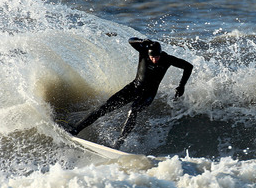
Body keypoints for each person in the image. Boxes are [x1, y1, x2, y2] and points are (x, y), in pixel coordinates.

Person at [65, 37, 193, 149]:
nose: (155, 60)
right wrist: (141, 41)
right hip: (134, 88)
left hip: (148, 94)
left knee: (133, 111)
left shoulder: (167, 59)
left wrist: (181, 86)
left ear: (160, 54)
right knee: (103, 107)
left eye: (157, 57)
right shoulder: (143, 52)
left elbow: (188, 66)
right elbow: (131, 41)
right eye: (152, 57)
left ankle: (119, 143)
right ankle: (76, 129)